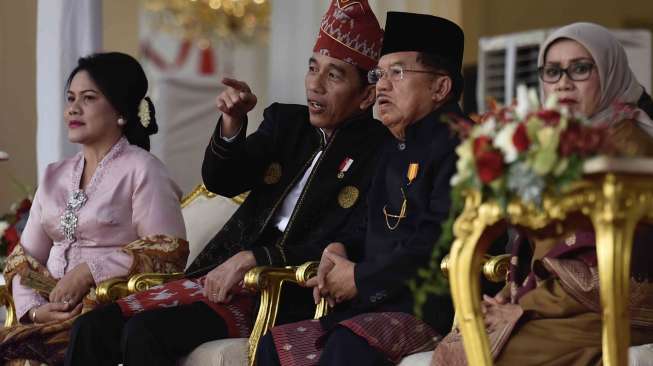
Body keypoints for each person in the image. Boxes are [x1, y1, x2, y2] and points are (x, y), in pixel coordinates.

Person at [65, 2, 388, 365]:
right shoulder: (287, 123)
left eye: (335, 75)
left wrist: (255, 258)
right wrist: (232, 125)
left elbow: (351, 240)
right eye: (313, 68)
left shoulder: (381, 152)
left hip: (282, 288)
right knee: (92, 327)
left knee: (145, 332)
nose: (315, 83)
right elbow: (222, 181)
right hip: (220, 273)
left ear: (367, 95)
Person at [433, 22, 653, 366]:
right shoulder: (560, 143)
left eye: (580, 69)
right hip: (554, 308)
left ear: (610, 71)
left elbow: (609, 272)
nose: (563, 82)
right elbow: (535, 248)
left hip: (604, 314)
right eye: (552, 71)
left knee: (483, 354)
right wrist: (507, 296)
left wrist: (522, 305)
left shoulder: (631, 148)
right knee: (462, 341)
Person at [257, 11, 466, 366]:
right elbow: (368, 226)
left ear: (440, 87)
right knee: (274, 346)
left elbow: (439, 240)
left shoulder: (462, 145)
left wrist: (360, 277)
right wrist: (339, 248)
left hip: (430, 306)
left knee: (346, 345)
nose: (382, 86)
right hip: (378, 302)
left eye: (397, 73)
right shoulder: (392, 144)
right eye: (378, 74)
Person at [0, 52, 188, 365]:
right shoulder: (54, 175)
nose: (73, 108)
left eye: (88, 98)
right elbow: (24, 260)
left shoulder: (143, 170)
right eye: (71, 98)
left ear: (121, 111)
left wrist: (89, 273)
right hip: (48, 319)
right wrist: (34, 311)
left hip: (106, 318)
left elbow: (167, 251)